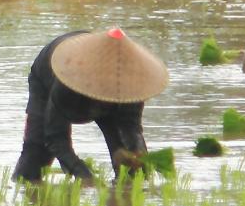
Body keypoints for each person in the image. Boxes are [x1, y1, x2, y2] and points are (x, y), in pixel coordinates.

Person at [11, 28, 165, 183]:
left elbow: (132, 129)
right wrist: (84, 175)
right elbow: (55, 138)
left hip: (106, 101)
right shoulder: (68, 79)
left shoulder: (131, 85)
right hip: (50, 78)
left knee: (132, 168)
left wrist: (138, 153)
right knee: (35, 158)